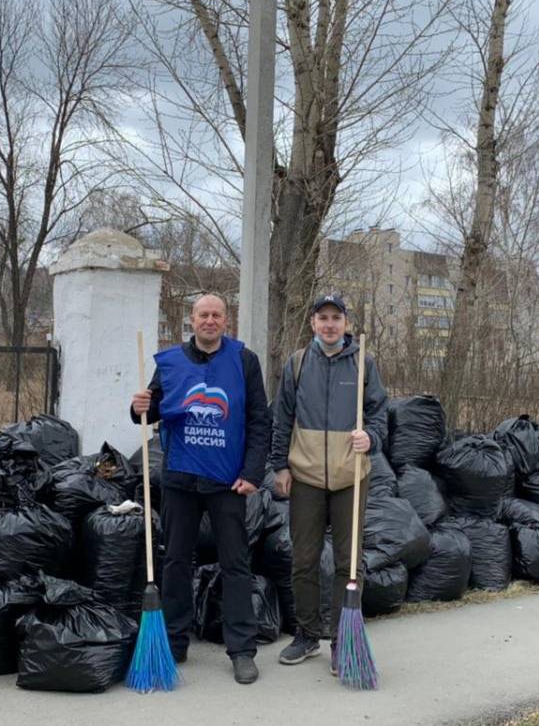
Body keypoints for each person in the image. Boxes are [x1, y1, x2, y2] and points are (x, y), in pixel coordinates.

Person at [130, 292, 270, 685]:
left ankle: (242, 649)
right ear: (191, 320)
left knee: (236, 564)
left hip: (227, 481)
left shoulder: (244, 361)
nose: (210, 320)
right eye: (203, 315)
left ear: (227, 320)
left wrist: (253, 472)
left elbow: (260, 421)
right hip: (179, 478)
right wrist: (139, 405)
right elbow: (152, 410)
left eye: (217, 315)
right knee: (175, 561)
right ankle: (174, 642)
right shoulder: (171, 363)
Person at [268, 293, 388, 675]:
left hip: (350, 475)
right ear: (313, 323)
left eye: (337, 318)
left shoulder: (364, 362)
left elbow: (380, 414)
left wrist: (371, 437)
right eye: (323, 318)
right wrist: (279, 467)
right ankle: (306, 634)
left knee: (348, 563)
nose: (330, 324)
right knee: (303, 560)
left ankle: (342, 639)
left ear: (346, 323)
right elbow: (282, 416)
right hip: (304, 475)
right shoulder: (298, 363)